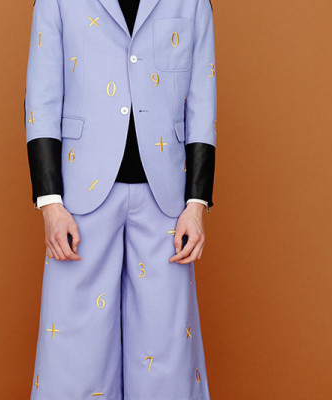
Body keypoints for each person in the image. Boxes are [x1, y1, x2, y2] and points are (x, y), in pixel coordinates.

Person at [24, 0, 217, 398]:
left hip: (167, 202)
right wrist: (51, 202)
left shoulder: (193, 2)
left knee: (166, 353)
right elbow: (40, 100)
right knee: (76, 353)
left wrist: (196, 204)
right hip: (80, 199)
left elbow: (203, 101)